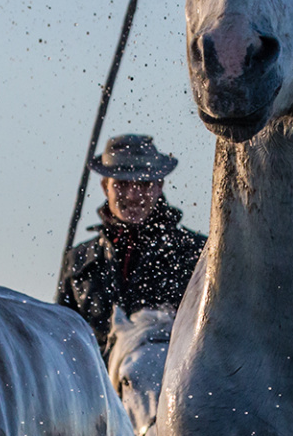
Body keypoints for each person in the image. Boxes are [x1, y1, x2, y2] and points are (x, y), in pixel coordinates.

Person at [57, 134, 206, 347]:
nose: (133, 195)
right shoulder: (78, 262)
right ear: (104, 186)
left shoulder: (196, 255)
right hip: (96, 379)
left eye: (144, 184)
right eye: (122, 184)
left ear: (159, 186)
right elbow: (62, 344)